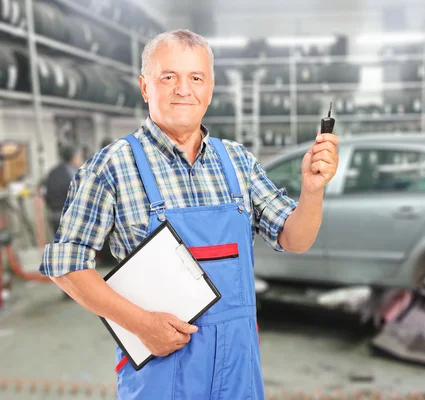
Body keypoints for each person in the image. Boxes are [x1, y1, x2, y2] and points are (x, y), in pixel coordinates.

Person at [39, 29, 339, 400]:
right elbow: (66, 266)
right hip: (160, 368)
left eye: (195, 78)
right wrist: (141, 325)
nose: (184, 89)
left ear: (209, 88)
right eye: (169, 77)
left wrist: (312, 191)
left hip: (237, 367)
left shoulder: (238, 162)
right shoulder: (112, 166)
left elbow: (296, 238)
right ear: (145, 87)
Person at [41, 145, 82, 235]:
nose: (80, 160)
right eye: (79, 157)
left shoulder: (52, 172)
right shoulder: (72, 173)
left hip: (54, 217)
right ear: (73, 158)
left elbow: (44, 192)